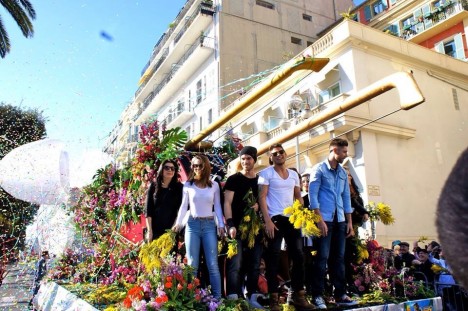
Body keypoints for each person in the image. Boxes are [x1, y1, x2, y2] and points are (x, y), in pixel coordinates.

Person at [258, 143, 315, 311]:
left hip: (292, 219)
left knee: (298, 256)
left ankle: (298, 296)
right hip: (275, 219)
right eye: (275, 153)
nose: (278, 155)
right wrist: (267, 220)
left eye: (281, 152)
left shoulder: (293, 174)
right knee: (273, 257)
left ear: (285, 154)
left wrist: (301, 214)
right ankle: (274, 299)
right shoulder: (266, 174)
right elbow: (262, 198)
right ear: (271, 157)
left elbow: (299, 197)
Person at [309, 138, 357, 309]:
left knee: (339, 258)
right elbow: (312, 196)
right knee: (322, 258)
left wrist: (349, 222)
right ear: (334, 150)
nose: (346, 154)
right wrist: (319, 220)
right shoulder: (319, 169)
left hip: (340, 221)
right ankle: (317, 295)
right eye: (344, 151)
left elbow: (346, 198)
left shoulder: (343, 173)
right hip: (325, 220)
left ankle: (340, 294)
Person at [172, 154, 225, 299]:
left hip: (209, 225)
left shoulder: (214, 185)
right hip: (192, 225)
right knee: (192, 264)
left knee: (213, 264)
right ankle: (190, 298)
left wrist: (221, 224)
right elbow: (184, 206)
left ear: (206, 166)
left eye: (200, 165)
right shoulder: (188, 185)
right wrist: (178, 223)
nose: (197, 168)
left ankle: (217, 299)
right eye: (194, 165)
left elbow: (218, 207)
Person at [224, 146, 264, 308]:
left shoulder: (260, 180)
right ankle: (233, 295)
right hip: (237, 228)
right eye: (243, 158)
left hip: (255, 228)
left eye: (248, 158)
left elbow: (263, 201)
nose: (245, 161)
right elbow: (227, 203)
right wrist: (230, 224)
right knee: (236, 262)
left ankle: (252, 293)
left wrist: (258, 207)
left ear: (254, 160)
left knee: (255, 263)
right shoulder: (234, 179)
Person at [145, 159, 183, 242]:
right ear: (161, 170)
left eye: (172, 168)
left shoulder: (179, 188)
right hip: (154, 230)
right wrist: (149, 231)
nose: (170, 170)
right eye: (167, 168)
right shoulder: (153, 186)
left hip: (171, 230)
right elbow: (148, 210)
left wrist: (172, 231)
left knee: (169, 255)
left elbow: (180, 210)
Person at [344, 169, 369, 291]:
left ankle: (357, 283)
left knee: (354, 256)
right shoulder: (341, 190)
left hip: (354, 228)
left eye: (349, 175)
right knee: (344, 256)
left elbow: (357, 204)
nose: (347, 177)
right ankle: (347, 283)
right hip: (343, 227)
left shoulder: (355, 195)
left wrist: (364, 213)